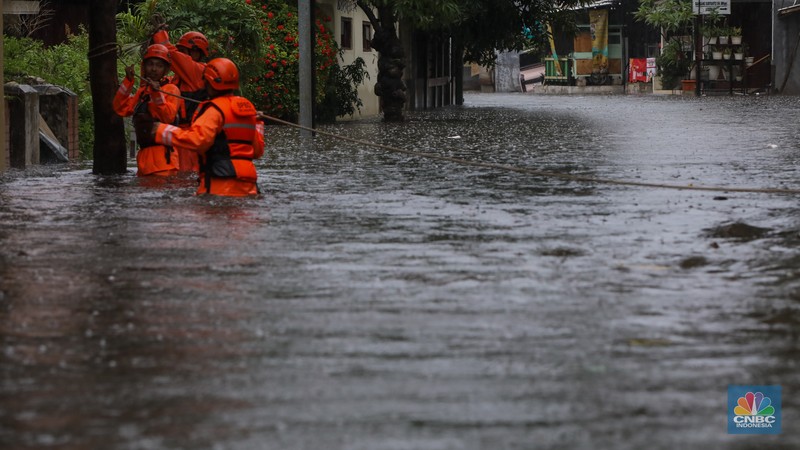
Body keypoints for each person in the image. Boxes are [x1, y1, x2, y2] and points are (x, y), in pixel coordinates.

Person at [139, 58, 265, 197]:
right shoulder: (247, 109)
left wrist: (160, 130)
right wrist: (258, 124)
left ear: (210, 82)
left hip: (220, 183)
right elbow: (257, 151)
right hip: (249, 185)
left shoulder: (214, 109)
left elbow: (197, 140)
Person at [113, 44, 181, 176]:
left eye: (159, 66)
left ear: (165, 70)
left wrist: (156, 94)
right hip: (144, 160)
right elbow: (120, 108)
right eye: (151, 64)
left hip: (164, 161)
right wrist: (128, 81)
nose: (154, 69)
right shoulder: (142, 91)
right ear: (144, 67)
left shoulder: (171, 90)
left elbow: (167, 118)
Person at [151, 29, 210, 172]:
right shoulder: (175, 80)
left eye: (183, 51)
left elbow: (174, 56)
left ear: (196, 52)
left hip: (190, 136)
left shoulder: (199, 71)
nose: (181, 54)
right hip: (176, 136)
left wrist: (160, 35)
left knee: (187, 175)